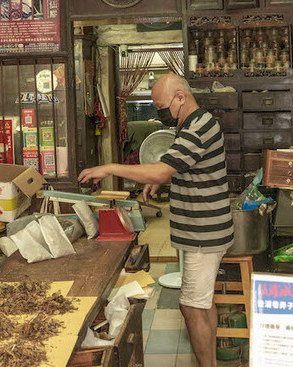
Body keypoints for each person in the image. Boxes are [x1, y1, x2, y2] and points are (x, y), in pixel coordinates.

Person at [79, 74, 233, 367]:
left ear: (180, 97)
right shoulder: (190, 125)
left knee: (191, 307)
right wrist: (160, 180)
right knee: (201, 303)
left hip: (203, 233)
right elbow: (182, 168)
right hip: (200, 230)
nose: (160, 112)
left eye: (162, 106)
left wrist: (110, 168)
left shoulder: (198, 126)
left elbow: (162, 169)